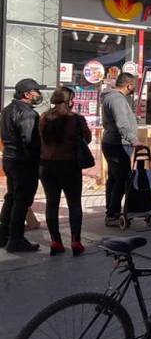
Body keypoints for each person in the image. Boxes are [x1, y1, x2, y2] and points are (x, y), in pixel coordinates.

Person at [39, 87, 91, 257]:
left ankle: (56, 241)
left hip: (47, 166)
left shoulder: (43, 118)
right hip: (70, 165)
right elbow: (87, 138)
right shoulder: (76, 119)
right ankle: (76, 241)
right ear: (70, 101)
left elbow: (39, 139)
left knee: (51, 203)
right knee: (74, 204)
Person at [0, 78, 43, 252]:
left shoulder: (7, 109)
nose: (38, 95)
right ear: (27, 94)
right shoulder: (27, 114)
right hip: (23, 161)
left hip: (9, 158)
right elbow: (30, 140)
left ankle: (3, 234)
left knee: (12, 195)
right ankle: (16, 238)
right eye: (36, 91)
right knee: (22, 199)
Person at [101, 73, 138, 227]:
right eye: (133, 85)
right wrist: (133, 139)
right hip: (118, 144)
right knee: (122, 179)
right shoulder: (117, 99)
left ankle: (111, 210)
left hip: (113, 143)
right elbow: (122, 122)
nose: (134, 88)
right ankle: (113, 213)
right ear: (129, 85)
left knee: (114, 179)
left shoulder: (111, 97)